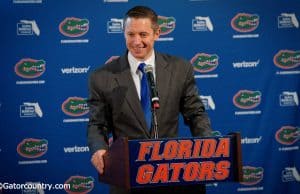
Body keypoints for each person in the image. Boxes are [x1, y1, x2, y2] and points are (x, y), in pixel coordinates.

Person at [87, 5, 212, 194]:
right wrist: (98, 148)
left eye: (143, 34)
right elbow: (97, 124)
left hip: (172, 176)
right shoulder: (102, 76)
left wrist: (208, 145)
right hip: (127, 178)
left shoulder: (180, 69)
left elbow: (195, 113)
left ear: (157, 33)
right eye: (131, 34)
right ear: (124, 34)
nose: (137, 41)